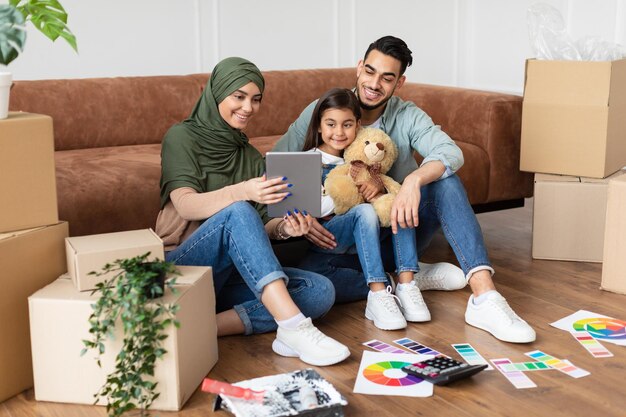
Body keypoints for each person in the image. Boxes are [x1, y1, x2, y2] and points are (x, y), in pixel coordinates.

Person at [273, 36, 536, 344]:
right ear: (359, 68)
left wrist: (413, 181)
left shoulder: (407, 115)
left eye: (387, 78)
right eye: (369, 72)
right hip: (340, 240)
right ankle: (404, 277)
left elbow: (449, 152)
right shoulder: (327, 110)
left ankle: (484, 297)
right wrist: (302, 216)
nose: (374, 84)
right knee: (323, 282)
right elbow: (280, 167)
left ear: (399, 83)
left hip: (397, 231)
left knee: (446, 182)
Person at [155, 56, 350, 366]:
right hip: (182, 267)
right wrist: (242, 192)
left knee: (319, 290)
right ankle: (294, 326)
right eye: (239, 96)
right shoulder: (181, 137)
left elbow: (263, 225)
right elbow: (185, 203)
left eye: (256, 99)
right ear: (218, 92)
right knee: (238, 212)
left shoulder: (249, 155)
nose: (248, 107)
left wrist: (287, 227)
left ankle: (198, 327)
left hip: (227, 277)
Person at [299, 87, 430, 330]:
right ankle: (379, 292)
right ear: (319, 126)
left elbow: (383, 205)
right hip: (331, 237)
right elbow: (312, 208)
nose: (339, 132)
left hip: (366, 243)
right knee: (364, 211)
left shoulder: (367, 165)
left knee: (395, 201)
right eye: (331, 124)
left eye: (347, 125)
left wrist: (378, 191)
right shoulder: (308, 160)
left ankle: (408, 281)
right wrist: (357, 190)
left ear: (358, 126)